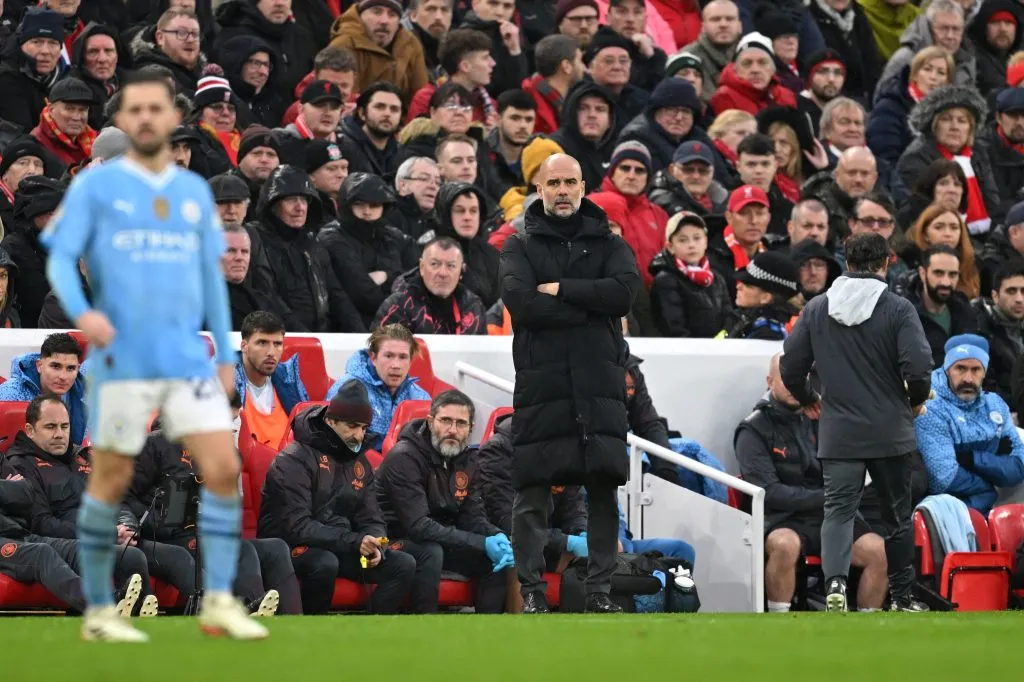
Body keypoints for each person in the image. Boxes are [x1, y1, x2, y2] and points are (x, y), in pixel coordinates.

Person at [42, 73, 266, 641]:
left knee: (219, 467)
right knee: (112, 476)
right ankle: (98, 607)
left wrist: (221, 350)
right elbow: (62, 260)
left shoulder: (190, 193)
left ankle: (217, 600)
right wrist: (81, 312)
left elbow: (211, 279)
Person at [500, 153, 640, 614]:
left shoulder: (609, 241)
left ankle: (601, 592)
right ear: (539, 189)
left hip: (599, 388)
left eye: (570, 183)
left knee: (603, 491)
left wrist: (561, 288)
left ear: (584, 187)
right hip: (543, 389)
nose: (562, 190)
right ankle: (533, 593)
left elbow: (624, 293)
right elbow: (522, 304)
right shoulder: (518, 244)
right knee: (532, 494)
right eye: (553, 182)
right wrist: (591, 302)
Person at [779, 232, 933, 613]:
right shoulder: (898, 308)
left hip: (839, 431)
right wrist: (911, 404)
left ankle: (834, 586)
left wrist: (809, 399)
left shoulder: (817, 308)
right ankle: (901, 596)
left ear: (845, 261)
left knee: (838, 511)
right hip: (890, 430)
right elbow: (919, 370)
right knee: (896, 515)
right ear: (887, 262)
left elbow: (790, 367)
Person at [736, 354, 890, 613]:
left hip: (832, 516)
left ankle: (867, 628)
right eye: (787, 378)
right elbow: (770, 493)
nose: (797, 385)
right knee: (785, 545)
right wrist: (828, 497)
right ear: (770, 381)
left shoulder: (827, 419)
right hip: (781, 518)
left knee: (882, 552)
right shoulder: (752, 429)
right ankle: (778, 624)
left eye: (802, 378)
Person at [259, 383, 427, 614]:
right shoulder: (293, 459)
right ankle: (310, 633)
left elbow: (372, 517)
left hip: (341, 545)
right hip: (290, 547)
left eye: (364, 428)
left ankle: (366, 633)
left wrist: (376, 542)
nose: (358, 435)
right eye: (352, 426)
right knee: (325, 562)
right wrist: (354, 541)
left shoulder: (361, 464)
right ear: (330, 421)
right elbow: (297, 526)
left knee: (402, 564)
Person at [375, 390, 515, 613]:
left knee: (493, 559)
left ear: (470, 429)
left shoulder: (469, 461)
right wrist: (480, 542)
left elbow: (473, 517)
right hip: (392, 540)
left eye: (461, 423)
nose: (452, 430)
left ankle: (488, 635)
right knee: (431, 551)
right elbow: (418, 526)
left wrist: (494, 535)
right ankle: (427, 628)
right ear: (430, 422)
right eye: (446, 421)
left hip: (441, 539)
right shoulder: (404, 457)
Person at [915, 334, 1024, 515]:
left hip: (988, 508)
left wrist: (972, 459)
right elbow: (942, 479)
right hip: (943, 510)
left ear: (985, 372)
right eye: (960, 368)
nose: (968, 378)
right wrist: (988, 486)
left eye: (975, 370)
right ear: (947, 369)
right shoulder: (930, 405)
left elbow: (1019, 466)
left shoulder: (995, 405)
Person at [326, 324, 431, 450]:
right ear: (374, 358)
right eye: (388, 356)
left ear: (410, 361)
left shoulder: (421, 398)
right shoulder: (345, 389)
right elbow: (331, 440)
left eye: (403, 357)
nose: (396, 365)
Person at [233, 311, 309, 448]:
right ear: (244, 346)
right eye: (262, 343)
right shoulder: (225, 380)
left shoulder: (290, 380)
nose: (271, 352)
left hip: (289, 465)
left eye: (277, 344)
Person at [0, 332, 88, 445]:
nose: (63, 376)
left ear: (78, 369)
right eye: (55, 366)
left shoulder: (87, 395)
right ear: (39, 366)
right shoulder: (10, 394)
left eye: (70, 368)